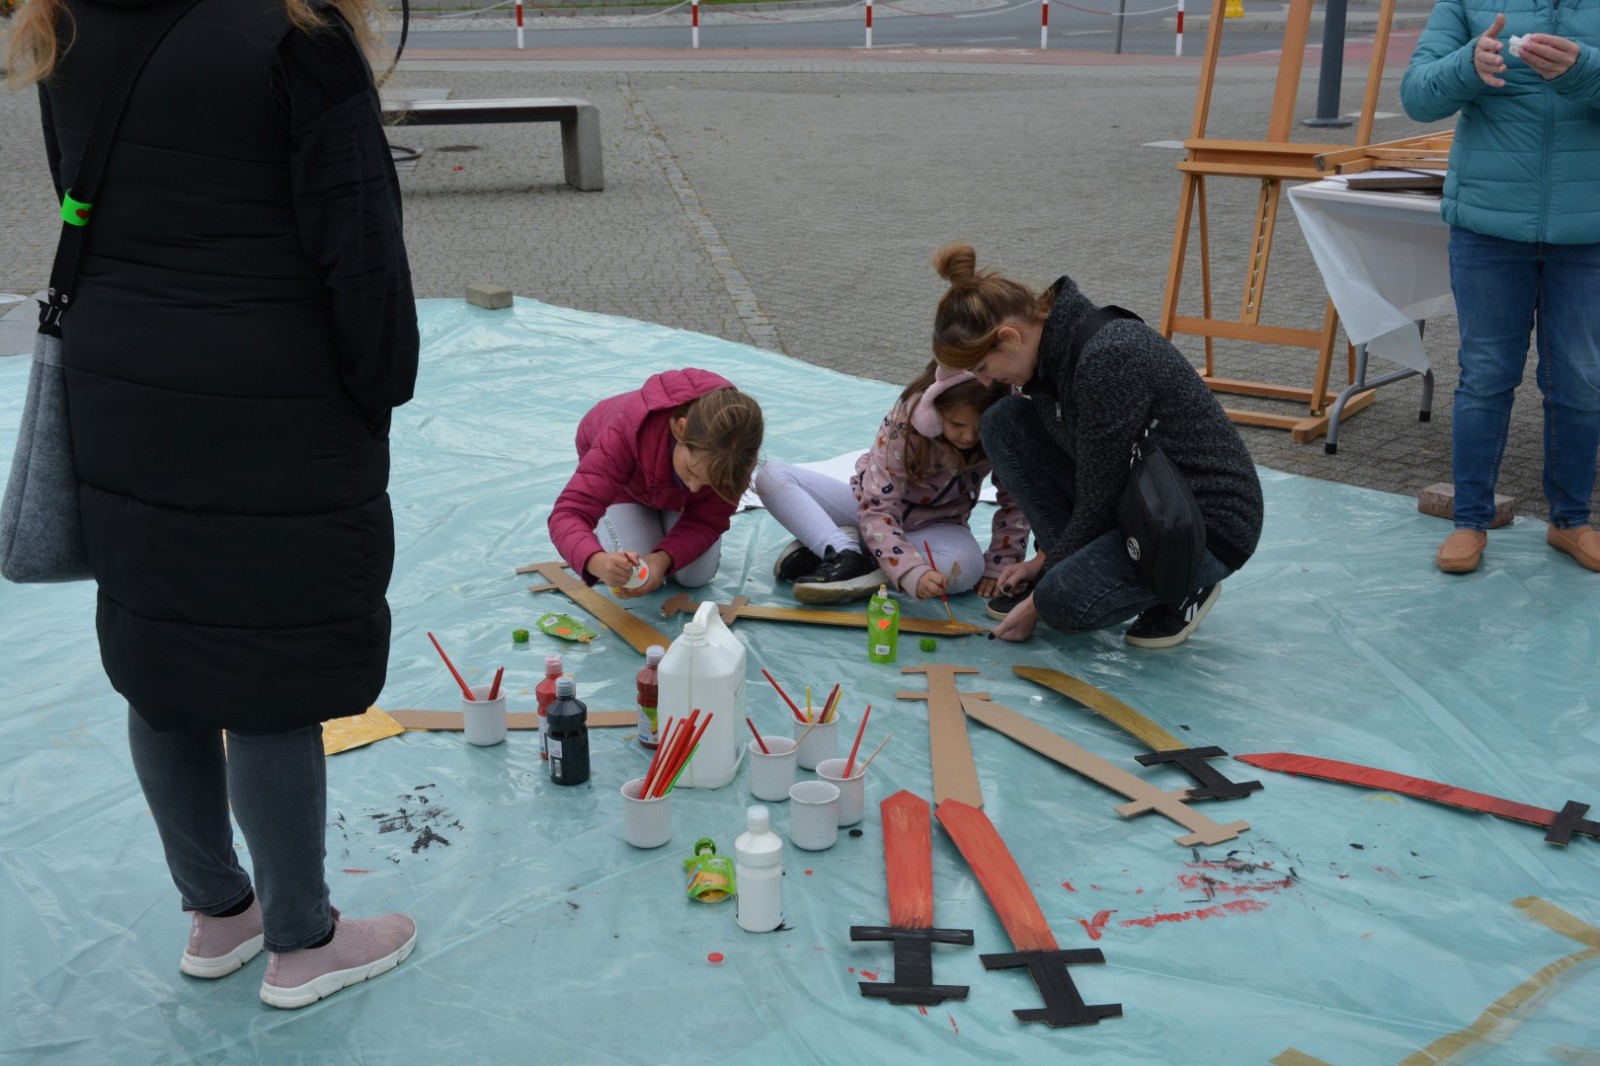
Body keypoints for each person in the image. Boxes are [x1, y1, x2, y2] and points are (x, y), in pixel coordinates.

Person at [9, 0, 419, 1008]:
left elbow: (82, 195)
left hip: (119, 376)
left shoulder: (63, 19)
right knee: (268, 669)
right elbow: (360, 247)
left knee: (160, 659)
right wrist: (376, 390)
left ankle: (218, 911)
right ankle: (304, 940)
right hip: (270, 385)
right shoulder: (296, 33)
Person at [928, 243, 1264, 648]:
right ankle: (1069, 570)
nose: (985, 381)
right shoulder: (1051, 353)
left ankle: (1188, 585)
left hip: (1201, 526)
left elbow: (1098, 500)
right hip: (1142, 499)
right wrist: (1045, 560)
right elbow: (1094, 478)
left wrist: (1039, 597)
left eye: (983, 367)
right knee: (1003, 422)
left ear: (1010, 337)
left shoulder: (1107, 359)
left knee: (1060, 603)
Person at [1400, 4, 1600, 575]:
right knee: (1485, 377)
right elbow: (1417, 96)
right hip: (1487, 225)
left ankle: (1571, 519)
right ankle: (1470, 520)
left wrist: (1585, 70)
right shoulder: (1465, 4)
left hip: (1588, 228)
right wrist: (1468, 64)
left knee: (1582, 381)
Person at [755, 361, 1030, 606]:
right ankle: (843, 551)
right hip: (868, 511)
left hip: (937, 528)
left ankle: (860, 560)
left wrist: (1000, 562)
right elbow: (877, 508)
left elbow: (1018, 499)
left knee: (967, 568)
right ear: (932, 413)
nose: (969, 437)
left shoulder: (999, 429)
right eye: (957, 424)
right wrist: (910, 570)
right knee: (772, 476)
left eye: (978, 427)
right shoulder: (904, 424)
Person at [548, 369, 763, 597]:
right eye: (691, 471)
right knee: (634, 572)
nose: (694, 488)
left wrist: (662, 560)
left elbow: (707, 521)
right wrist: (597, 561)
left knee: (694, 576)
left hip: (667, 491)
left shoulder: (733, 459)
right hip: (626, 488)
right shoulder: (622, 434)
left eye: (710, 483)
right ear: (681, 429)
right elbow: (568, 513)